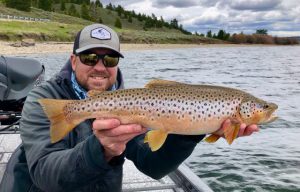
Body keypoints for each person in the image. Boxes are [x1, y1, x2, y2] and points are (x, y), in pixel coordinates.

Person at [0, 23, 258, 192]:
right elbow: (46, 176)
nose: (100, 66)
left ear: (117, 64)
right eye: (90, 57)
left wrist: (192, 128)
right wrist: (101, 148)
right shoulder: (42, 100)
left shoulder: (130, 102)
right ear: (73, 60)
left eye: (109, 58)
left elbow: (152, 166)